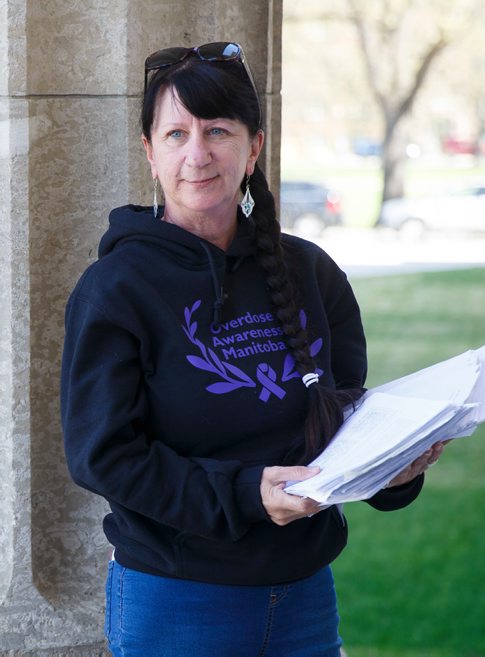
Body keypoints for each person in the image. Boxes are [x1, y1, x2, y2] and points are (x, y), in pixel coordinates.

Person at [60, 42, 446, 657]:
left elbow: (343, 428)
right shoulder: (117, 289)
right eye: (176, 134)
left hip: (304, 596)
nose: (197, 154)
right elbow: (101, 455)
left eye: (217, 130)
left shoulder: (311, 274)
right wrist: (245, 495)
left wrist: (390, 473)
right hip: (178, 601)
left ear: (254, 147)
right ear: (150, 154)